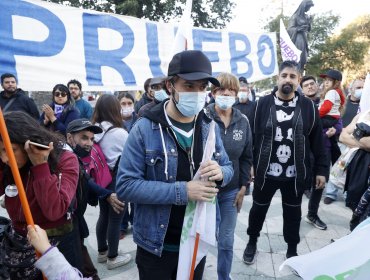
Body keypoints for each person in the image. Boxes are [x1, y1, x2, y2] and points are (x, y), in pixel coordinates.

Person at [116, 50, 233, 279]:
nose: (198, 94)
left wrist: (221, 172)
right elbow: (125, 185)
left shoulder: (209, 127)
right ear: (171, 86)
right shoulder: (144, 128)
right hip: (156, 247)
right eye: (189, 86)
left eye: (202, 87)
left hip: (196, 240)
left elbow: (228, 166)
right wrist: (183, 191)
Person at [243, 61, 328, 265]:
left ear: (298, 80)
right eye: (284, 75)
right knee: (257, 210)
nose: (288, 79)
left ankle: (292, 250)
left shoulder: (308, 107)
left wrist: (321, 170)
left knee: (293, 214)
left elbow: (318, 140)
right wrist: (251, 164)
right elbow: (250, 138)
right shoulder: (262, 104)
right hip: (265, 172)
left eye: (292, 76)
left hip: (295, 174)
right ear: (278, 78)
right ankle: (252, 241)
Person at [0, 111, 82, 279]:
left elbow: (54, 209)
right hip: (17, 243)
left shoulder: (65, 159)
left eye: (11, 149)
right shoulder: (6, 164)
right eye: (0, 151)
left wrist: (40, 165)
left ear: (27, 142)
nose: (4, 158)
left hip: (56, 243)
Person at [66, 118, 125, 279]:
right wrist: (107, 195)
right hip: (66, 226)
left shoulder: (75, 156)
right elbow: (86, 178)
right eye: (84, 138)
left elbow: (86, 179)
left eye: (92, 139)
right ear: (70, 138)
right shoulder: (65, 158)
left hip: (75, 221)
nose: (89, 143)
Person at [207, 72, 252, 280]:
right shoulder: (202, 118)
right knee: (201, 237)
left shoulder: (243, 121)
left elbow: (246, 157)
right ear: (213, 93)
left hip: (231, 191)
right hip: (205, 190)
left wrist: (243, 188)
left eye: (231, 90)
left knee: (226, 240)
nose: (226, 93)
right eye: (220, 89)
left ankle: (224, 276)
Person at [92, 94, 131, 270]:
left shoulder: (94, 131)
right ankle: (113, 257)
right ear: (115, 109)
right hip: (117, 180)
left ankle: (102, 252)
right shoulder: (120, 133)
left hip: (101, 179)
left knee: (104, 215)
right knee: (116, 219)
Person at [301, 75, 336, 230]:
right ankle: (292, 216)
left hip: (323, 151)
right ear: (302, 89)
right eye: (306, 85)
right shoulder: (299, 106)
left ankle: (312, 214)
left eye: (312, 84)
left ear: (317, 86)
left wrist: (336, 129)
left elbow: (337, 121)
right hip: (303, 153)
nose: (310, 87)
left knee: (319, 184)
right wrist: (323, 133)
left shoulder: (326, 104)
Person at [287, 0, 314, 71]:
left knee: (303, 58)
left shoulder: (306, 17)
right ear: (303, 6)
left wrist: (310, 22)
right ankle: (296, 72)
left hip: (304, 39)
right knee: (298, 58)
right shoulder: (295, 16)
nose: (309, 9)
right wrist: (298, 29)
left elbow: (309, 29)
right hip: (298, 38)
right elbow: (289, 29)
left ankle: (300, 73)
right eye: (308, 7)